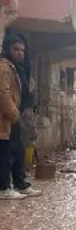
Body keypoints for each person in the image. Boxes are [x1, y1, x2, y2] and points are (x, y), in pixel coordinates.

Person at [0, 32, 40, 199]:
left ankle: (19, 183)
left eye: (23, 50)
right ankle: (4, 188)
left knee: (18, 150)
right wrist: (14, 115)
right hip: (6, 118)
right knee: (4, 153)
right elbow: (3, 93)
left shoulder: (15, 67)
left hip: (13, 116)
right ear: (8, 49)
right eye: (17, 50)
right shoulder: (4, 67)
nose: (20, 53)